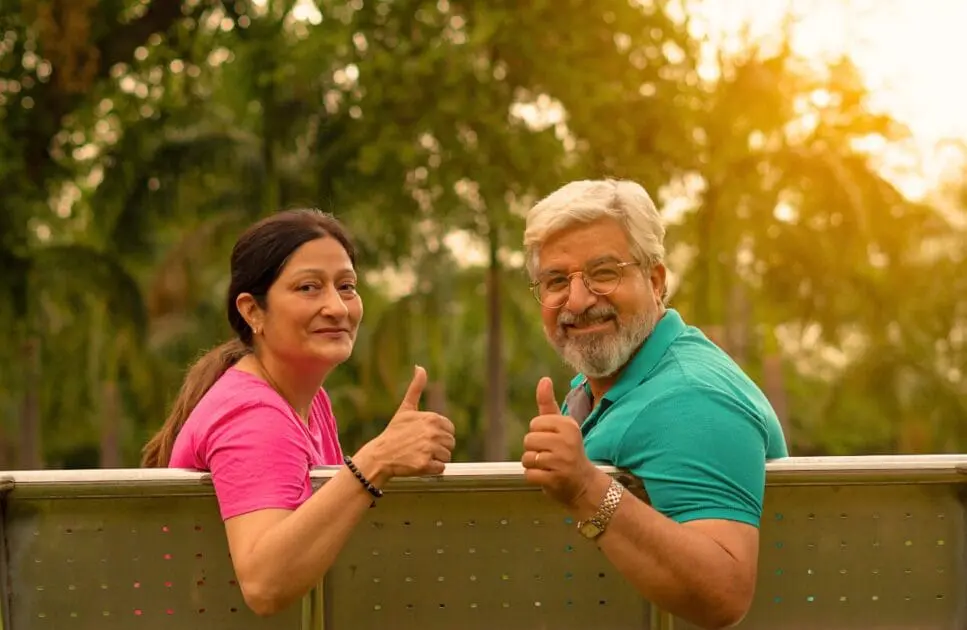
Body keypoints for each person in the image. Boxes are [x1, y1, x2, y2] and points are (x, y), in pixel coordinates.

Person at [141, 209, 455, 617]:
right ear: (253, 311)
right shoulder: (254, 413)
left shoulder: (305, 399)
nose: (337, 308)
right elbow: (264, 583)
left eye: (346, 287)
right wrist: (376, 460)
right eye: (308, 287)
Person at [519, 179, 788, 630]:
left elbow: (725, 593)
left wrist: (586, 486)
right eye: (556, 281)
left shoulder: (692, 396)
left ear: (656, 280)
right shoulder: (606, 382)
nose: (579, 300)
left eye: (604, 273)